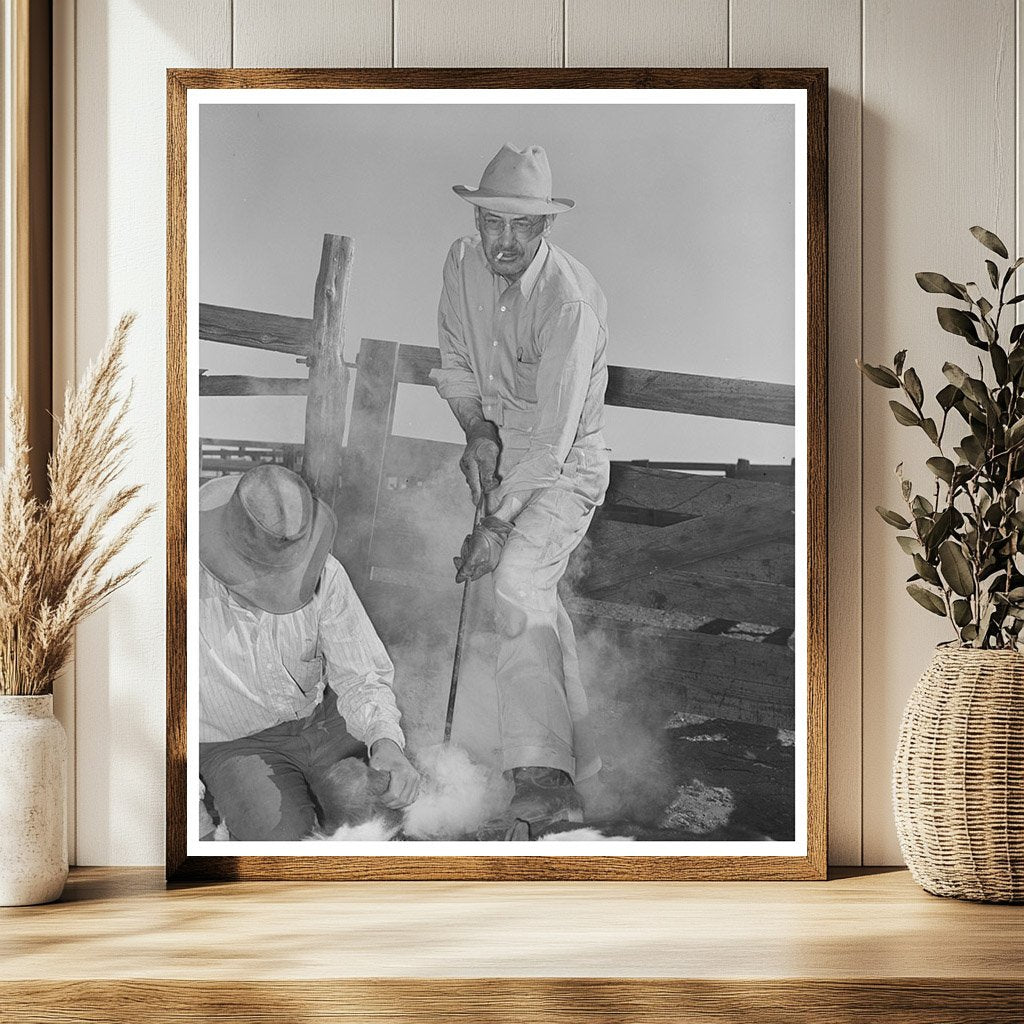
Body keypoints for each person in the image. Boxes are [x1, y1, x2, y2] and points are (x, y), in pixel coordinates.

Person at [430, 143, 610, 839]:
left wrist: (494, 523)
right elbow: (453, 362)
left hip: (567, 467)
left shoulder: (570, 303)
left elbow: (554, 441)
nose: (502, 241)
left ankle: (542, 784)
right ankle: (578, 767)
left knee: (514, 583)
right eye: (491, 223)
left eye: (520, 226)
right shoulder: (459, 262)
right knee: (529, 599)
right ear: (477, 220)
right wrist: (475, 429)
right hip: (505, 453)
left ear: (545, 228)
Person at [197, 463, 420, 841]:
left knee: (388, 808)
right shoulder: (177, 588)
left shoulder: (325, 574)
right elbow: (159, 723)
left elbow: (361, 674)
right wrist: (192, 822)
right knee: (282, 843)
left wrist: (385, 742)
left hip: (321, 720)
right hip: (235, 744)